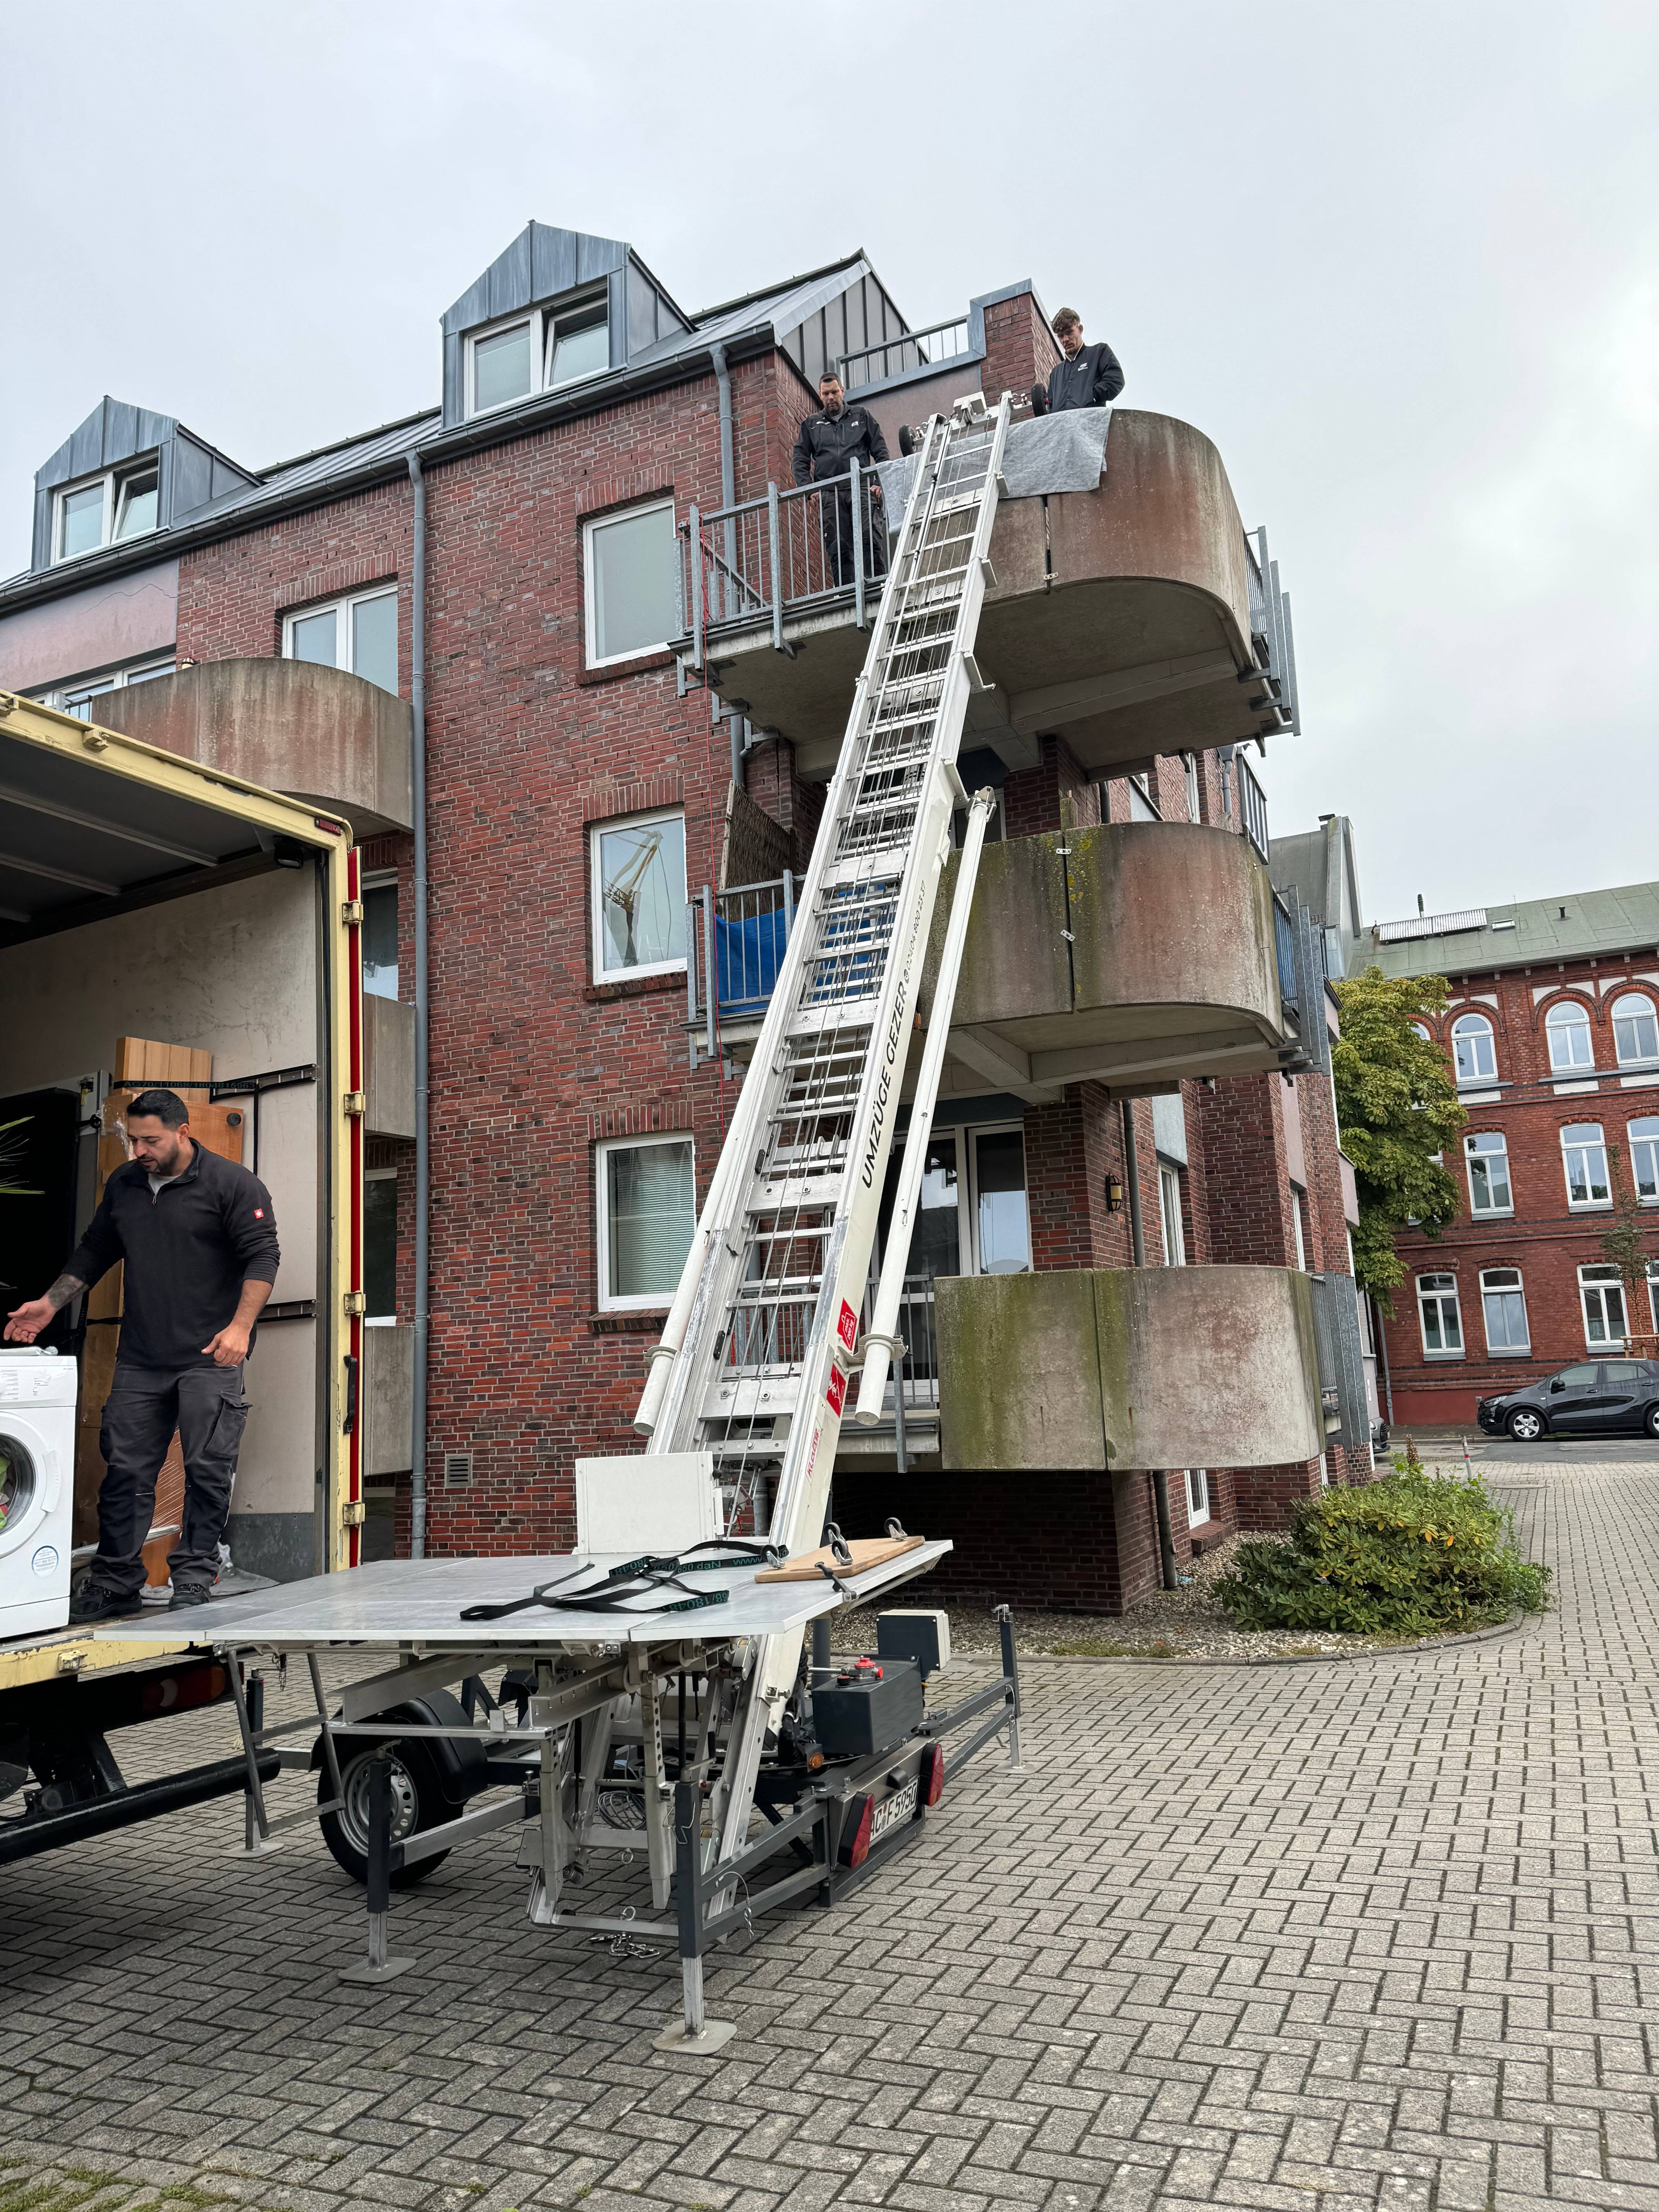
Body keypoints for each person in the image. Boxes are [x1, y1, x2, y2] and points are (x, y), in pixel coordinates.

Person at [4, 1087, 280, 1622]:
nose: (139, 1151)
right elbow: (97, 1249)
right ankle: (115, 1582)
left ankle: (195, 1576)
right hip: (142, 1358)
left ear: (182, 1131)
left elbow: (263, 1258)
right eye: (133, 1139)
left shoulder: (232, 1184)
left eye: (150, 1140)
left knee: (206, 1470)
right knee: (126, 1472)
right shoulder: (127, 1184)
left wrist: (241, 1329)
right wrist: (49, 1304)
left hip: (209, 1357)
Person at [791, 369, 890, 587]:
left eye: (835, 392)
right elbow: (799, 458)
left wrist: (878, 482)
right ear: (820, 395)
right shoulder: (811, 424)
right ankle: (847, 594)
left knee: (868, 538)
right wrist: (809, 489)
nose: (831, 398)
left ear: (842, 391)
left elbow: (881, 451)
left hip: (862, 487)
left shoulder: (861, 415)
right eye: (826, 394)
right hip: (830, 494)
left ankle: (877, 588)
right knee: (838, 547)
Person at [1030, 307, 1124, 416]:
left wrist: (1091, 396)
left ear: (1080, 329)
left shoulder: (1099, 352)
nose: (1065, 340)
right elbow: (1051, 407)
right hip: (1062, 430)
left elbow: (1116, 380)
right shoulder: (1056, 373)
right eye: (1061, 336)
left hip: (1091, 426)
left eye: (1069, 333)